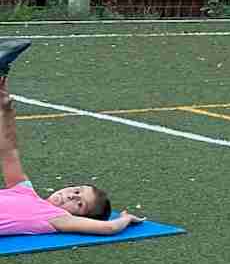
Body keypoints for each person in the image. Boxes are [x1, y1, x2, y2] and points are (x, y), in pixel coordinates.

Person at [0, 67, 133, 237]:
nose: (71, 196)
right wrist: (6, 109)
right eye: (77, 191)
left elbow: (110, 228)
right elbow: (9, 151)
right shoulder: (23, 190)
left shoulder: (57, 218)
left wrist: (126, 218)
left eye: (80, 204)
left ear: (79, 217)